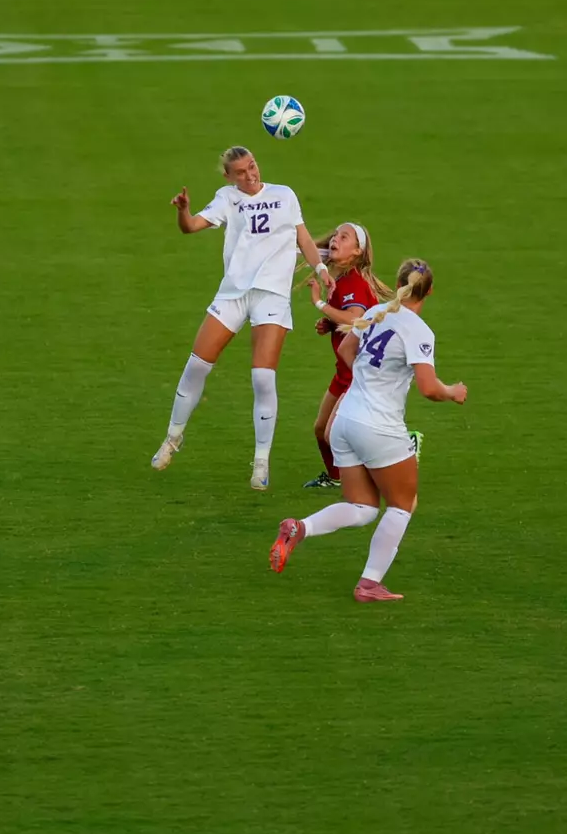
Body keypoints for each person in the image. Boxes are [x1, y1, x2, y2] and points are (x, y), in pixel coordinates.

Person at [269, 259, 466, 602]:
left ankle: (300, 527)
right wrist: (452, 391)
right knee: (403, 504)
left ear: (398, 283)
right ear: (429, 291)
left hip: (345, 421)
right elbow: (428, 388)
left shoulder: (376, 311)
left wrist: (368, 381)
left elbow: (346, 352)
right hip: (379, 426)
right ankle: (369, 584)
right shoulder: (419, 331)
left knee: (362, 507)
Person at [152, 146, 329, 491]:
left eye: (252, 167)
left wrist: (321, 268)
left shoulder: (284, 195)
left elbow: (303, 238)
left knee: (263, 379)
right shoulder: (226, 199)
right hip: (233, 293)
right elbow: (189, 228)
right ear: (229, 177)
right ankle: (173, 438)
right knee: (197, 366)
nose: (251, 176)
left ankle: (261, 461)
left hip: (272, 295)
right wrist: (183, 211)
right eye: (241, 173)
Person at [301, 222, 392, 489]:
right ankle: (335, 478)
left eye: (344, 237)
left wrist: (321, 305)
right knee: (321, 430)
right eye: (335, 236)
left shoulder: (353, 282)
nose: (334, 240)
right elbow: (358, 322)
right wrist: (331, 324)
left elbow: (354, 319)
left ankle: (399, 446)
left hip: (361, 373)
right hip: (345, 371)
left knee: (334, 434)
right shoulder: (341, 282)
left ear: (357, 251)